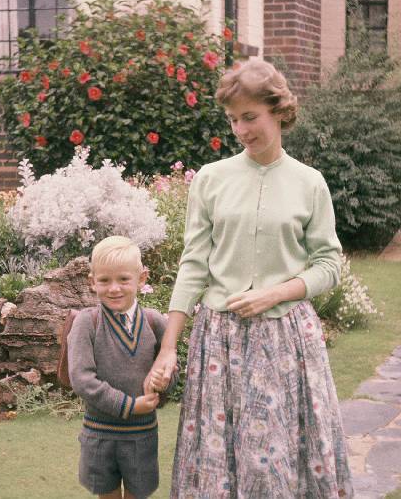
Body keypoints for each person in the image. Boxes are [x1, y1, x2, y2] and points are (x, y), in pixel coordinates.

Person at [147, 59, 354, 498]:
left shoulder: (309, 183)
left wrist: (276, 293)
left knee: (276, 459)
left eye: (250, 117)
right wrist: (169, 347)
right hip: (219, 341)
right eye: (234, 119)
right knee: (219, 461)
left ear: (279, 111)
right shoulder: (211, 180)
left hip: (285, 342)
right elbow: (193, 264)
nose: (241, 129)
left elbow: (329, 264)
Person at [68, 236, 176, 499]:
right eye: (104, 280)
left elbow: (172, 367)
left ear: (142, 278)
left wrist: (164, 382)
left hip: (143, 434)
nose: (114, 288)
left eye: (124, 279)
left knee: (138, 493)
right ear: (92, 281)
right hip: (100, 433)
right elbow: (81, 379)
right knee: (107, 494)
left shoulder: (154, 322)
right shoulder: (87, 322)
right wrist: (129, 406)